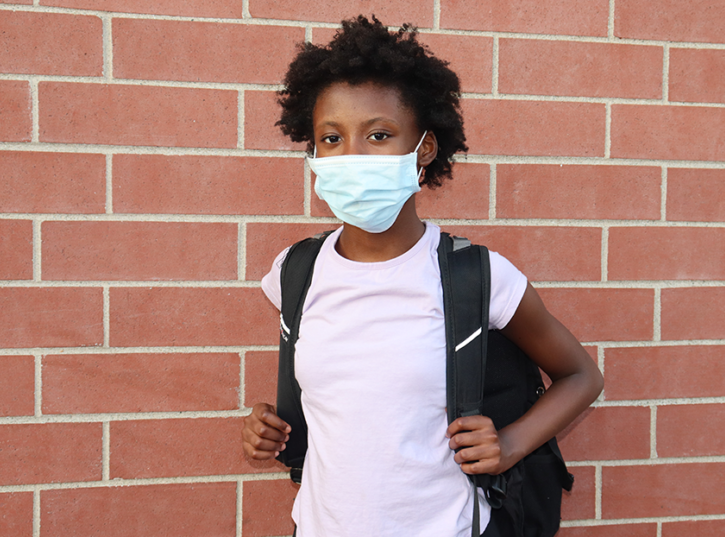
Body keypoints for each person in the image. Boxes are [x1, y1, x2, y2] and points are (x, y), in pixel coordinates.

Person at [241, 15, 604, 537]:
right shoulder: (294, 273)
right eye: (332, 138)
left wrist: (510, 444)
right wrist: (268, 425)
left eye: (379, 135)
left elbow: (581, 376)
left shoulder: (476, 277)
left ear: (424, 149)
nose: (353, 156)